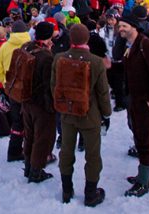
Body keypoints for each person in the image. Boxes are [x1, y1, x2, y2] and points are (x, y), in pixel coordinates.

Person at [52, 23, 111, 207]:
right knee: (93, 155)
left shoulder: (59, 58)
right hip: (90, 115)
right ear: (87, 40)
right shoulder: (95, 61)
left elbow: (54, 86)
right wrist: (106, 114)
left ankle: (67, 190)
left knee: (66, 151)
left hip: (67, 114)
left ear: (70, 39)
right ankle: (91, 194)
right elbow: (102, 92)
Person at [118, 10, 149, 197]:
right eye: (120, 26)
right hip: (136, 101)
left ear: (133, 27)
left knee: (145, 140)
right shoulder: (132, 46)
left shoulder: (148, 46)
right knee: (141, 138)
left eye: (124, 26)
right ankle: (147, 176)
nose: (120, 29)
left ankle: (143, 183)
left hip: (146, 103)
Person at [20, 22, 57, 183]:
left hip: (25, 99)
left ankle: (28, 165)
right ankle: (36, 170)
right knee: (43, 137)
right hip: (40, 103)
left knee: (29, 135)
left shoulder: (27, 48)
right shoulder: (46, 56)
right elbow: (49, 83)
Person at [0, 20, 32, 162]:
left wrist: (5, 83)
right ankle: (30, 151)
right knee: (30, 121)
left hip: (12, 89)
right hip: (28, 89)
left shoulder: (5, 47)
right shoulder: (30, 46)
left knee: (17, 121)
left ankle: (14, 150)